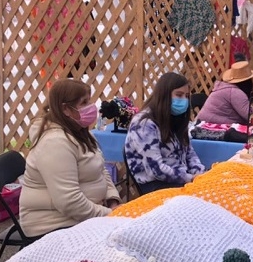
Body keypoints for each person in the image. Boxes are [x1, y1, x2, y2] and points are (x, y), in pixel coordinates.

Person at [19, 79, 121, 237]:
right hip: (54, 224)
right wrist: (109, 215)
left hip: (83, 217)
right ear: (65, 109)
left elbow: (101, 170)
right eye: (84, 102)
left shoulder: (80, 133)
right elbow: (69, 201)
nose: (91, 106)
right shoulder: (54, 142)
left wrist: (113, 200)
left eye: (89, 100)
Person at [124, 72, 205, 194]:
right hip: (156, 185)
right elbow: (156, 170)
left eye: (187, 96)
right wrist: (190, 178)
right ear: (164, 95)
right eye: (179, 95)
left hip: (180, 180)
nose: (184, 100)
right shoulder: (144, 124)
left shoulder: (175, 119)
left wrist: (199, 173)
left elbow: (189, 153)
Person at [196, 60, 253, 126]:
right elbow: (252, 115)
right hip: (208, 128)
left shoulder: (226, 89)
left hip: (201, 124)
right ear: (248, 82)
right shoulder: (235, 93)